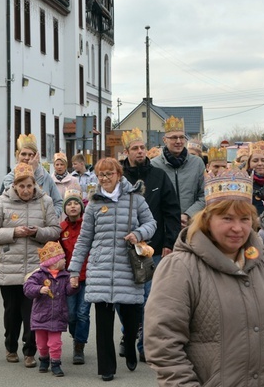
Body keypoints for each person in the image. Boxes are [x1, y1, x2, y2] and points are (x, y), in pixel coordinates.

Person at [144, 166, 264, 386]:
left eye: (244, 219)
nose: (237, 228)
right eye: (227, 218)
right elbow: (163, 344)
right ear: (207, 219)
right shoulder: (180, 267)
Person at [67, 158, 157, 382]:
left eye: (109, 174)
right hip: (101, 267)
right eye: (101, 175)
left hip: (129, 266)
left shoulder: (135, 198)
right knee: (103, 320)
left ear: (119, 174)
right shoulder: (94, 203)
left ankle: (128, 342)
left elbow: (151, 224)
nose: (105, 179)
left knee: (131, 316)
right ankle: (106, 367)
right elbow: (84, 239)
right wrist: (74, 270)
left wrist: (138, 234)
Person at [0, 162, 61, 367]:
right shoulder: (2, 202)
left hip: (36, 268)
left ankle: (30, 351)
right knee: (11, 311)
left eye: (29, 186)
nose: (26, 190)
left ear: (34, 184)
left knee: (32, 312)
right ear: (14, 186)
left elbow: (55, 230)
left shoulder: (45, 201)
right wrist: (13, 232)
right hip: (8, 266)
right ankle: (11, 347)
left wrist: (38, 232)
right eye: (21, 186)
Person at [120, 128, 181, 362]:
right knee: (125, 300)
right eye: (135, 148)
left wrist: (169, 242)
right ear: (126, 152)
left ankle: (144, 344)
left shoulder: (159, 176)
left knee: (148, 298)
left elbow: (171, 211)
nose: (140, 152)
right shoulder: (120, 177)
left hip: (152, 249)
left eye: (142, 148)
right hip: (123, 248)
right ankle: (128, 333)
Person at [24, 241, 80, 377]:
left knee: (55, 343)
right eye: (62, 259)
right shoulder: (39, 275)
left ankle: (56, 363)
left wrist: (73, 286)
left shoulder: (65, 276)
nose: (65, 260)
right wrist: (39, 289)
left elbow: (68, 291)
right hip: (41, 316)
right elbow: (28, 288)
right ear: (53, 262)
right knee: (41, 343)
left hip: (57, 316)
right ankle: (44, 359)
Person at [150, 116, 206, 228]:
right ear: (164, 140)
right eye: (174, 138)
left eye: (182, 137)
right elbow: (153, 198)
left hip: (192, 224)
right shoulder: (154, 165)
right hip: (165, 227)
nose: (179, 141)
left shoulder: (197, 163)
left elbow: (204, 195)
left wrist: (188, 215)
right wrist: (171, 217)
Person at [60, 189, 91, 365]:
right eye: (69, 204)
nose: (73, 207)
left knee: (82, 313)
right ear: (65, 208)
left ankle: (79, 346)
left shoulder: (87, 226)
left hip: (87, 276)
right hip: (68, 278)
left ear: (81, 206)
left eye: (76, 203)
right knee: (71, 314)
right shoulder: (61, 229)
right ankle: (76, 334)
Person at [1, 134, 63, 216]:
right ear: (17, 155)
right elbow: (8, 201)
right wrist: (30, 172)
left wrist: (50, 218)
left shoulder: (45, 176)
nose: (27, 158)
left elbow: (58, 203)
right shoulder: (8, 178)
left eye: (31, 154)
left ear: (36, 156)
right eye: (23, 154)